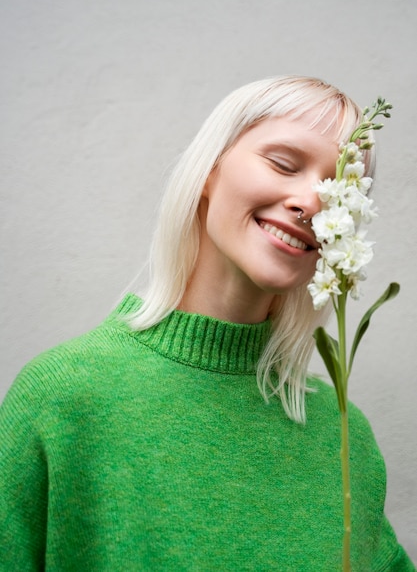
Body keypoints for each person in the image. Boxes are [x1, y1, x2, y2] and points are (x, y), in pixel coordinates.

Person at [0, 76, 415, 571]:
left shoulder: (344, 437)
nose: (312, 204)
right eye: (284, 164)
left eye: (340, 190)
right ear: (209, 171)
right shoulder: (64, 397)